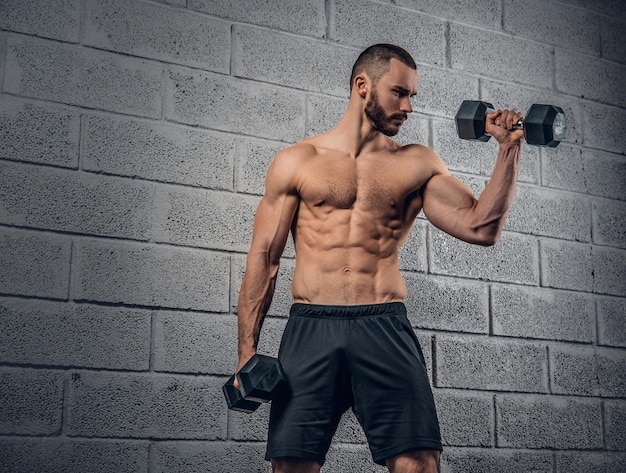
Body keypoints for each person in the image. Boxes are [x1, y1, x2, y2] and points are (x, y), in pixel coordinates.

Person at [234, 43, 524, 473]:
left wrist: (509, 147)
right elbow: (264, 257)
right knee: (290, 466)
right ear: (362, 86)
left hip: (383, 324)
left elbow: (481, 228)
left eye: (412, 97)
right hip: (311, 327)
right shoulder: (297, 161)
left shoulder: (415, 163)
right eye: (399, 93)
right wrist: (246, 352)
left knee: (418, 464)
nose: (408, 107)